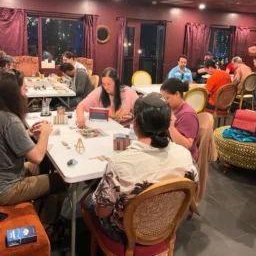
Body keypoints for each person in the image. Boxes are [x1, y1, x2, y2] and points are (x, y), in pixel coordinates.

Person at [85, 92, 199, 243]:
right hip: (166, 226)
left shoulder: (119, 164)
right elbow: (193, 188)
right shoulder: (185, 156)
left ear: (135, 123)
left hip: (126, 233)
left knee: (89, 201)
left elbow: (102, 212)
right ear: (169, 123)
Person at [0, 69, 66, 225]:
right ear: (13, 92)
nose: (26, 91)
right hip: (2, 189)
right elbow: (36, 157)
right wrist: (45, 133)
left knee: (46, 165)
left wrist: (26, 133)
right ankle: (47, 224)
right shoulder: (10, 120)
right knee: (61, 180)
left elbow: (2, 139)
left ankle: (42, 209)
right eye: (23, 88)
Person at [160, 78, 199, 161]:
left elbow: (187, 145)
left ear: (177, 94)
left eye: (167, 98)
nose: (164, 102)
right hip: (172, 151)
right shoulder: (172, 108)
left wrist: (171, 127)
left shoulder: (187, 115)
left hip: (185, 160)